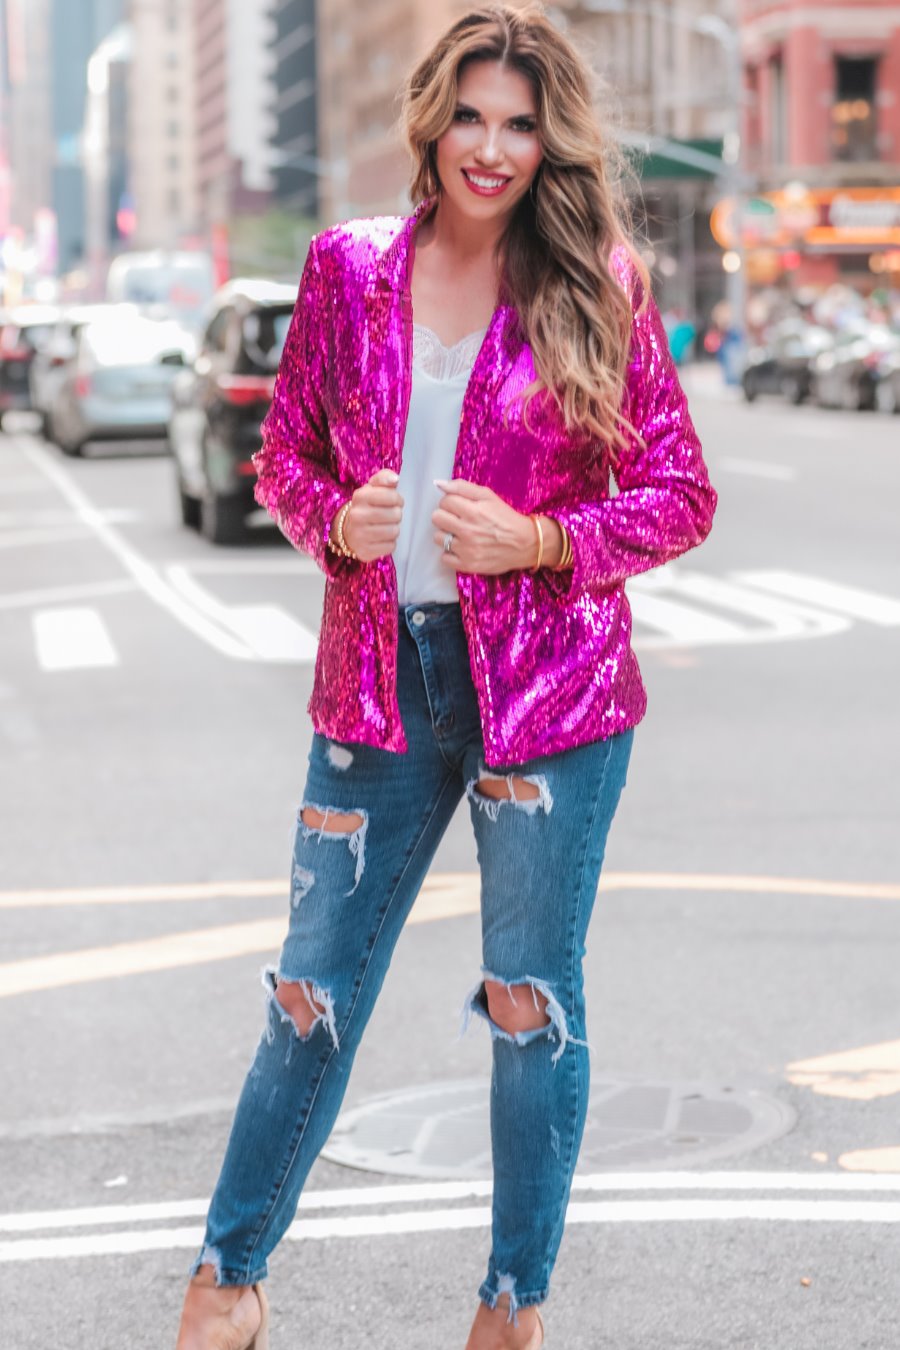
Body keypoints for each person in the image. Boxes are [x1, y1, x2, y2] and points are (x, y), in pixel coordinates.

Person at [175, 6, 716, 1348]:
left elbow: (678, 491)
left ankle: (511, 1304)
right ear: (432, 120)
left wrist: (543, 537)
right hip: (381, 680)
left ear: (550, 142)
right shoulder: (345, 268)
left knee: (529, 1005)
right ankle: (224, 1281)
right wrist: (327, 520)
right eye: (471, 116)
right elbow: (285, 454)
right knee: (310, 992)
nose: (492, 146)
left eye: (520, 123)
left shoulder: (596, 281)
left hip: (551, 691)